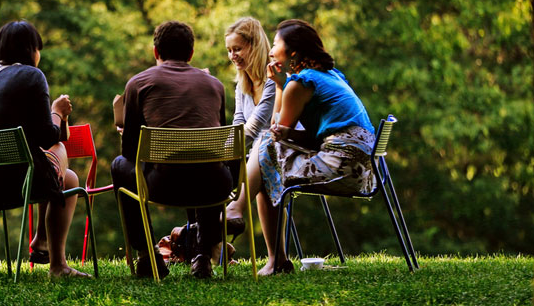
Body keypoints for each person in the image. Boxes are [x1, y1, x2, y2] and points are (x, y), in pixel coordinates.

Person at [0, 20, 89, 278]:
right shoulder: (33, 76)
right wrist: (57, 111)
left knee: (69, 178)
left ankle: (43, 244)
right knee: (60, 156)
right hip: (19, 184)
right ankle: (56, 264)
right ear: (32, 50)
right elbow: (46, 136)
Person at [249, 19, 377, 275]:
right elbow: (307, 136)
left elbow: (277, 130)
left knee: (263, 144)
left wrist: (278, 85)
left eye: (275, 44)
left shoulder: (301, 82)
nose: (271, 51)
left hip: (339, 166)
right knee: (266, 157)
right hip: (364, 171)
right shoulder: (330, 75)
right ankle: (274, 258)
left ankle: (238, 211)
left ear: (293, 52)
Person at [112, 20, 232, 279]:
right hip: (215, 186)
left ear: (156, 52)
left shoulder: (139, 83)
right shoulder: (215, 85)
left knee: (119, 164)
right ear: (191, 54)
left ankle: (148, 255)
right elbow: (218, 142)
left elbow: (131, 152)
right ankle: (203, 255)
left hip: (164, 185)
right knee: (212, 164)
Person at [219, 17, 277, 235]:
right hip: (253, 155)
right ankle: (207, 246)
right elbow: (238, 123)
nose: (232, 56)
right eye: (229, 50)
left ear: (254, 46)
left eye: (237, 49)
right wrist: (222, 152)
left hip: (275, 152)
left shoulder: (273, 80)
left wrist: (224, 153)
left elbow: (254, 128)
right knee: (213, 175)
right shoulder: (242, 84)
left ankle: (234, 210)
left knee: (225, 169)